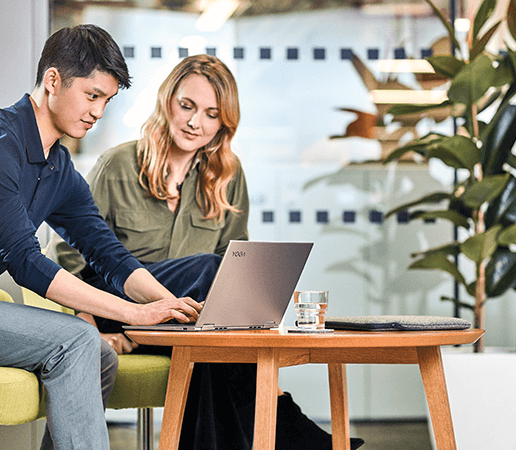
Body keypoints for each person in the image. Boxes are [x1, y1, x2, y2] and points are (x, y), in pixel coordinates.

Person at [0, 24, 201, 450]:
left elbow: (108, 254)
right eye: (92, 95)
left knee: (99, 357)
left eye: (106, 100)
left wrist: (165, 304)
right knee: (79, 338)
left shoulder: (57, 167)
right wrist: (131, 313)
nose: (99, 111)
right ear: (52, 81)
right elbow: (26, 263)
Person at [53, 54, 364, 450]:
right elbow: (68, 257)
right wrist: (90, 328)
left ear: (223, 123)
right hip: (118, 309)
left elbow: (242, 271)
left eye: (211, 113)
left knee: (215, 332)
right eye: (187, 106)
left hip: (189, 321)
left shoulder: (228, 178)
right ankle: (287, 423)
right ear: (168, 101)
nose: (195, 122)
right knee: (212, 272)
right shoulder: (116, 165)